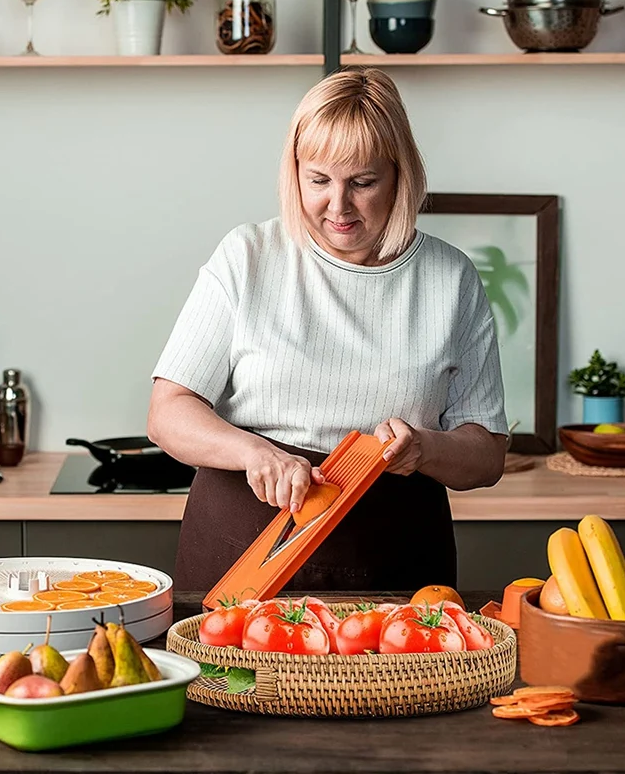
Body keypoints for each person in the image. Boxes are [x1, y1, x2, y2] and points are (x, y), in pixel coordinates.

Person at [148, 67, 508, 594]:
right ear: (294, 173)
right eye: (318, 180)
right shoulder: (247, 256)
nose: (337, 206)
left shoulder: (451, 280)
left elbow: (487, 454)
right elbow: (168, 413)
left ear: (400, 175)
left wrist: (423, 449)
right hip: (244, 542)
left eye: (362, 182)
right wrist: (257, 454)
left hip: (395, 559)